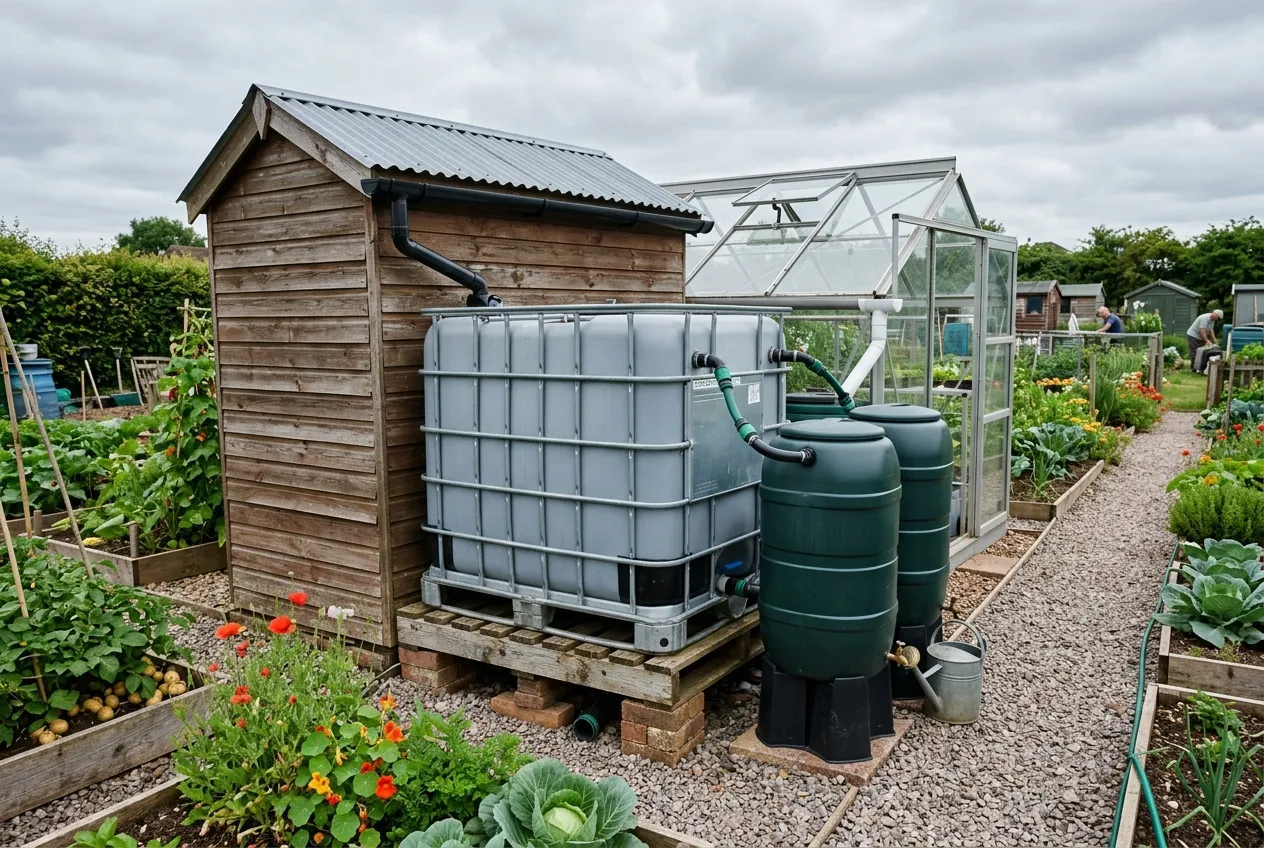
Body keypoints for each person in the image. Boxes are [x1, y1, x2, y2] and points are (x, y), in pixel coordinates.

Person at [1186, 308, 1224, 374]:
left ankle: (1201, 368)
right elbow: (1202, 331)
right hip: (1193, 336)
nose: (1217, 319)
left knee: (1202, 352)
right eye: (1217, 317)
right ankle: (1194, 369)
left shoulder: (1212, 320)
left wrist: (1215, 340)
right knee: (1195, 352)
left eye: (1218, 318)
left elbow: (1211, 330)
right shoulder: (1204, 318)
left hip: (1200, 337)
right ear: (1214, 314)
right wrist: (1207, 341)